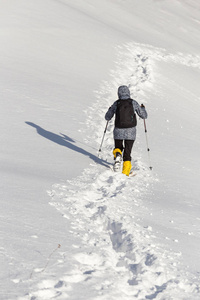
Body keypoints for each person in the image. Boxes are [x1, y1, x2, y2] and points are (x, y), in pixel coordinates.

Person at [105, 85, 147, 176]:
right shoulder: (133, 103)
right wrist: (143, 108)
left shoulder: (116, 103)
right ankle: (125, 173)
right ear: (128, 92)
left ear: (118, 93)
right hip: (131, 131)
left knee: (118, 148)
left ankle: (118, 155)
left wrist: (109, 110)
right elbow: (144, 116)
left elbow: (107, 117)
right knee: (127, 152)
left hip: (118, 130)